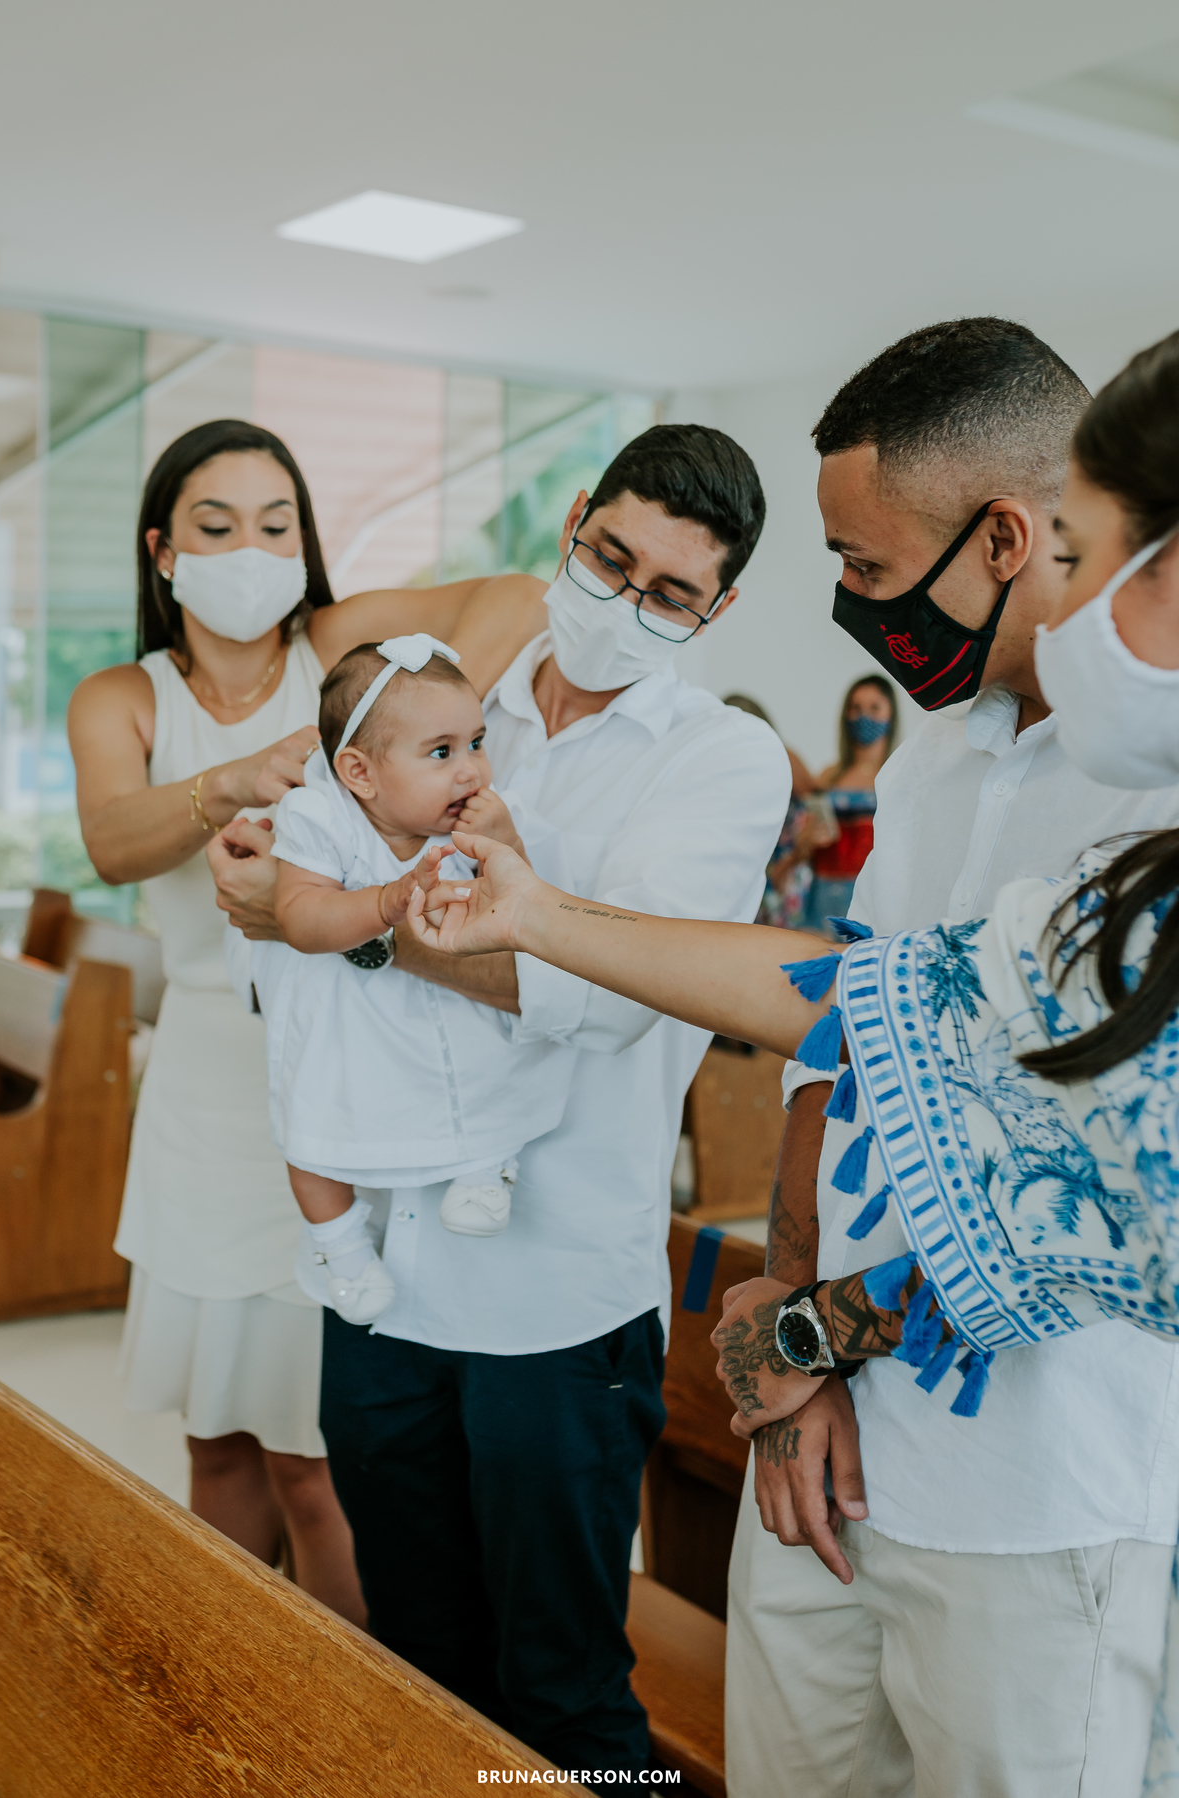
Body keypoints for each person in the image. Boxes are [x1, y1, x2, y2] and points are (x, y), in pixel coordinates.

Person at [409, 324, 1179, 1798]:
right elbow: (842, 1055)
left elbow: (908, 1015)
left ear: (1026, 538)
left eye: (1097, 550)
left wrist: (543, 915)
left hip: (1038, 1492)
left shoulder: (1144, 798)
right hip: (827, 1440)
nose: (853, 614)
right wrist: (787, 1313)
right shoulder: (938, 751)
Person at [210, 423, 788, 1776]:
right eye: (610, 558)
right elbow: (302, 852)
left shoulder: (717, 760)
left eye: (670, 594)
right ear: (574, 520)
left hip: (557, 1293)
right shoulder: (448, 700)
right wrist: (264, 872)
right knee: (412, 1658)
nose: (625, 602)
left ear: (719, 610)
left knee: (563, 1689)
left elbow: (610, 993)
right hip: (385, 1274)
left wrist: (332, 923)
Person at [68, 417, 544, 1617]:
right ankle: (226, 1703)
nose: (253, 548)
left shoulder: (338, 651)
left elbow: (521, 592)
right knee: (217, 1439)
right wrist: (229, 777)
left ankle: (353, 1726)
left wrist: (379, 739)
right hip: (204, 1084)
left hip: (337, 1062)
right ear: (161, 550)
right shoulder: (123, 695)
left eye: (277, 523)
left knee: (317, 1456)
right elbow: (114, 842)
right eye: (218, 526)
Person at [236, 633, 574, 1325]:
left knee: (495, 1065)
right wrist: (383, 904)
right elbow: (299, 918)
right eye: (442, 753)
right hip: (347, 1026)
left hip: (452, 1010)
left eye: (478, 743)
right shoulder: (319, 817)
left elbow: (531, 911)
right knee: (314, 1124)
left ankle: (487, 1166)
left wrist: (506, 845)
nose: (473, 771)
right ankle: (341, 1246)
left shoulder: (480, 820)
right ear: (359, 773)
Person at [798, 675, 897, 934]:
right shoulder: (828, 776)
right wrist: (808, 840)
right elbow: (803, 847)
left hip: (874, 899)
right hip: (822, 899)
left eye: (875, 708)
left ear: (891, 714)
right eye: (856, 708)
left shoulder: (899, 775)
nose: (864, 716)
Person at [722, 693, 816, 930]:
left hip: (784, 880)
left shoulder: (784, 760)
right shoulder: (726, 772)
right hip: (746, 880)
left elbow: (817, 807)